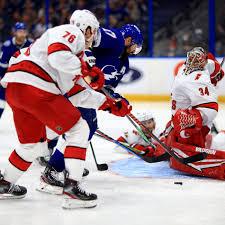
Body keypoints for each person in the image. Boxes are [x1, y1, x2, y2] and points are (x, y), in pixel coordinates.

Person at [0, 9, 131, 209]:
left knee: (33, 146)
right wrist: (84, 69)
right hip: (36, 86)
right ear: (86, 28)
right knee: (79, 129)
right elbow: (57, 56)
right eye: (93, 31)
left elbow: (77, 93)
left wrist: (109, 104)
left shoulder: (74, 57)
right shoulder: (71, 32)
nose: (94, 38)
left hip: (18, 90)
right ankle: (73, 190)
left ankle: (4, 183)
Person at [37, 17, 143, 193]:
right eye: (135, 45)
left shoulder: (124, 61)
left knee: (86, 128)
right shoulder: (116, 39)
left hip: (88, 95)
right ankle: (53, 170)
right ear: (129, 39)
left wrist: (115, 99)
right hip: (76, 88)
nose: (135, 49)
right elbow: (89, 36)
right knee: (80, 129)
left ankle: (64, 166)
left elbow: (107, 88)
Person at [164, 46, 225, 180]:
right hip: (187, 115)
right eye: (191, 60)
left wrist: (189, 120)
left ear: (203, 61)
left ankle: (197, 146)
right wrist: (217, 74)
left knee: (181, 120)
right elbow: (215, 67)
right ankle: (199, 142)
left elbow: (210, 109)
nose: (192, 63)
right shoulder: (202, 66)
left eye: (196, 60)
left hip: (197, 120)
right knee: (174, 128)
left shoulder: (197, 79)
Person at [0, 22, 32, 116]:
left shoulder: (31, 44)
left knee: (27, 104)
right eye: (19, 31)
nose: (22, 33)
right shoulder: (7, 45)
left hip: (25, 77)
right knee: (1, 101)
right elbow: (2, 64)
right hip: (8, 76)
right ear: (15, 32)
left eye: (24, 31)